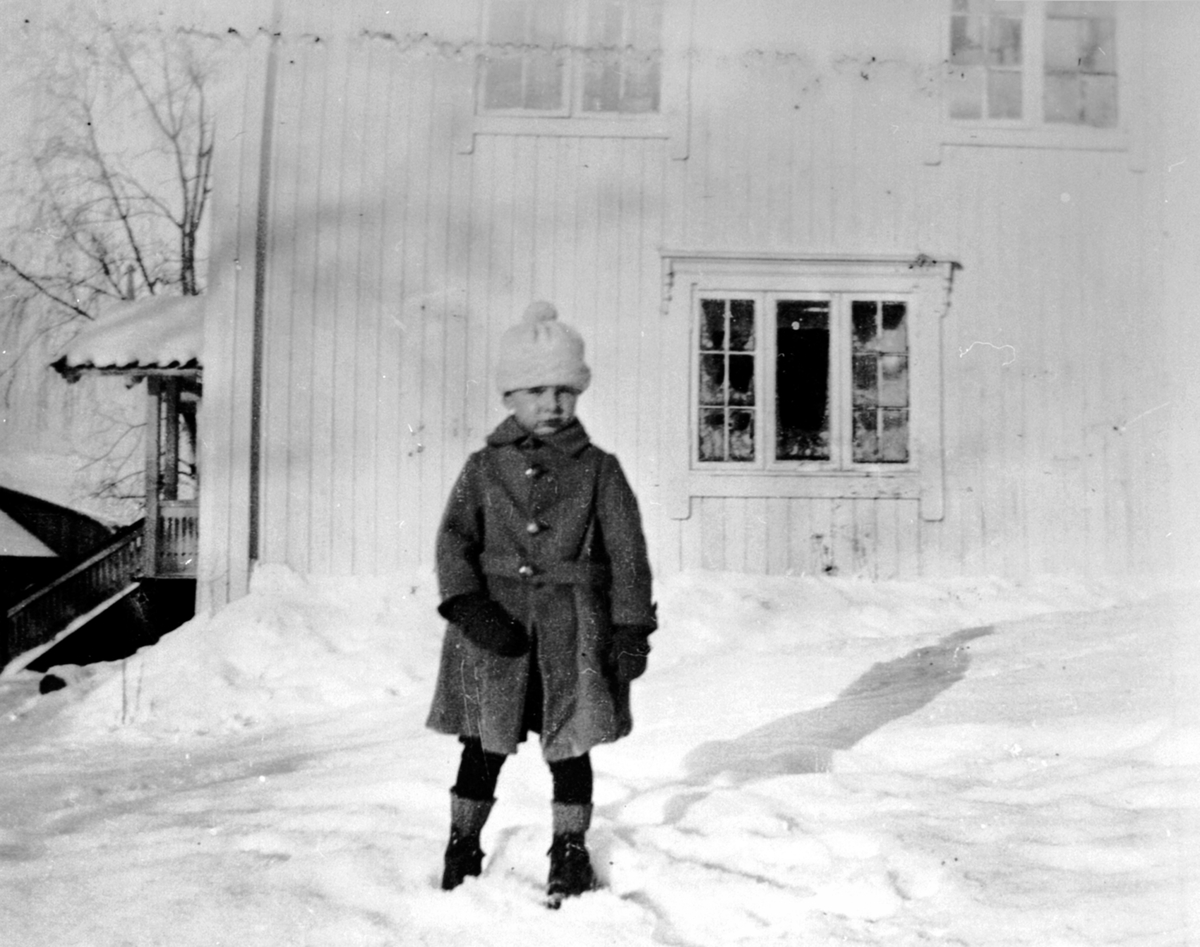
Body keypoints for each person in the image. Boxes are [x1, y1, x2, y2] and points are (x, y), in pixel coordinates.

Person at [426, 299, 657, 906]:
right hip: (492, 631)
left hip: (573, 628)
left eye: (564, 391)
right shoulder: (483, 468)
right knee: (482, 741)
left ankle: (570, 852)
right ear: (509, 398)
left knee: (571, 744)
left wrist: (630, 629)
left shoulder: (600, 470)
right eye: (535, 391)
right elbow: (454, 540)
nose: (551, 404)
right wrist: (469, 606)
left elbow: (628, 554)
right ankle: (462, 843)